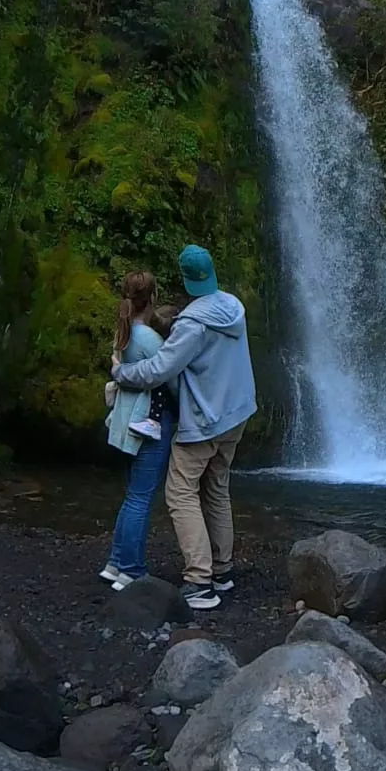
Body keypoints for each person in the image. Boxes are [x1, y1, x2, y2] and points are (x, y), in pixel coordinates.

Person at [112, 244, 256, 610]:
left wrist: (121, 373)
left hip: (206, 420)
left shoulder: (193, 324)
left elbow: (159, 369)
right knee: (217, 487)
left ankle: (199, 581)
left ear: (187, 280)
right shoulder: (232, 307)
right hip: (237, 413)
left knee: (180, 492)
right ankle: (222, 572)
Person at [101, 273, 176, 591]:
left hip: (126, 422)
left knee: (132, 495)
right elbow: (169, 378)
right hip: (147, 425)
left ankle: (116, 563)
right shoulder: (150, 340)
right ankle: (131, 570)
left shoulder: (125, 332)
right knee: (141, 498)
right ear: (153, 297)